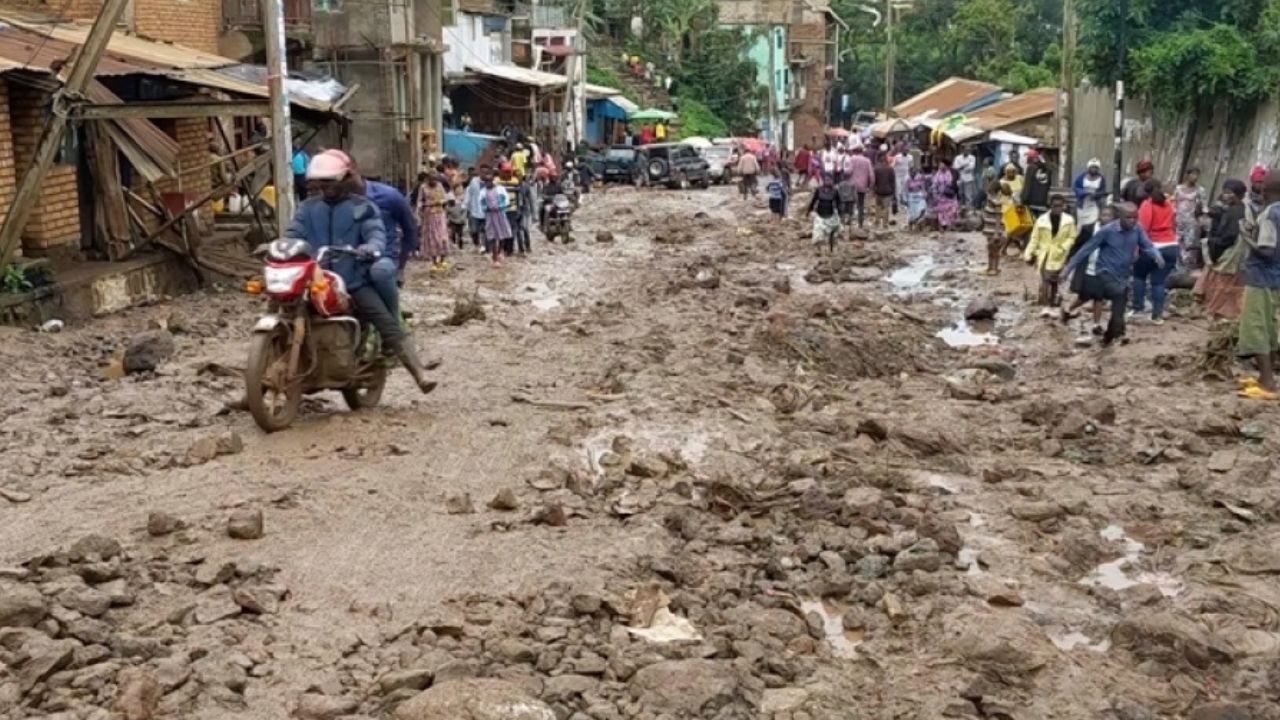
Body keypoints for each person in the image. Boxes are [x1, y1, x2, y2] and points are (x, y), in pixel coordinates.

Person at [285, 151, 435, 393]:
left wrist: (370, 248)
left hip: (353, 280)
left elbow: (376, 233)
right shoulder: (308, 209)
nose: (327, 187)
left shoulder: (363, 207)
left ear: (345, 179)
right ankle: (257, 384)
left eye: (331, 181)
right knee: (281, 308)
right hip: (314, 279)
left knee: (385, 321)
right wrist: (282, 246)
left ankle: (418, 372)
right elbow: (293, 233)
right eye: (322, 182)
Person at [1064, 202, 1164, 346]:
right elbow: (1086, 249)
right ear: (1120, 217)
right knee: (1119, 294)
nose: (1132, 221)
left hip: (1122, 274)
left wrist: (1156, 254)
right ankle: (1119, 333)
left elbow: (1146, 245)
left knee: (1120, 300)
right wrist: (1068, 269)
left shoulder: (1137, 229)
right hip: (1104, 273)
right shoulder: (1107, 231)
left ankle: (1109, 337)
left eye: (1135, 217)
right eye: (1129, 218)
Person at [1236, 169, 1280, 399]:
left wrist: (1245, 236)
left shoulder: (1271, 214)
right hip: (1276, 279)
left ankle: (1267, 383)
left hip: (1261, 277)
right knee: (1270, 328)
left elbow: (1266, 250)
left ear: (1266, 189)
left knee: (1256, 327)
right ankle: (1267, 377)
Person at [357, 163, 419, 304]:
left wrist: (401, 268)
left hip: (382, 261)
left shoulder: (389, 196)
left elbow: (410, 229)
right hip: (348, 265)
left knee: (380, 274)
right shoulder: (329, 204)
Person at [1194, 179, 1249, 320]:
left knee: (1222, 283)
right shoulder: (1233, 208)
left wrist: (1210, 243)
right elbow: (1219, 216)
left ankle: (1218, 311)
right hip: (1227, 250)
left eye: (1228, 193)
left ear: (1236, 195)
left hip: (1228, 252)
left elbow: (1229, 236)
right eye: (1224, 192)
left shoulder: (1235, 212)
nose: (1225, 195)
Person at [1062, 205, 1116, 336]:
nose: (1107, 218)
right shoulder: (1089, 229)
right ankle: (1068, 310)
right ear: (1099, 216)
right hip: (1088, 267)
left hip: (1104, 268)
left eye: (1110, 216)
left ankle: (1096, 324)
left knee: (1099, 296)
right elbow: (1077, 246)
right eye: (1104, 215)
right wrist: (1069, 262)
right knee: (1085, 295)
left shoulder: (1115, 232)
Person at [1133, 181, 1179, 324]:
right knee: (1158, 282)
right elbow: (1174, 223)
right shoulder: (1169, 204)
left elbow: (1142, 230)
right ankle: (1157, 316)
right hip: (1171, 246)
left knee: (1139, 276)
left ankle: (1138, 308)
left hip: (1153, 245)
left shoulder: (1147, 205)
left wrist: (1136, 250)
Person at [1024, 194, 1077, 308]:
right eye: (1055, 206)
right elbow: (1034, 238)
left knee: (1055, 281)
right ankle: (1044, 304)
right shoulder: (1041, 220)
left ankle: (1053, 302)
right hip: (1045, 254)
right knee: (1045, 279)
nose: (1057, 208)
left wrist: (1063, 247)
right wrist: (1028, 253)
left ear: (1063, 206)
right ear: (1050, 206)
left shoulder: (1069, 220)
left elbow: (1072, 237)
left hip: (1059, 255)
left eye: (1060, 206)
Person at [1174, 168, 1208, 269]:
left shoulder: (1200, 190)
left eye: (1197, 175)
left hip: (1192, 221)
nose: (1195, 177)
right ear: (1187, 175)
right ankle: (1177, 266)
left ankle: (1188, 267)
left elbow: (1205, 207)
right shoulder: (1178, 189)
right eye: (1193, 174)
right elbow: (1174, 205)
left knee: (1191, 244)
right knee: (1178, 242)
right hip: (1179, 220)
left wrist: (1203, 221)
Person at [415, 172, 449, 269]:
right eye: (431, 180)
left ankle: (443, 260)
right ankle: (434, 262)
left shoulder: (440, 186)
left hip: (440, 214)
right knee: (432, 239)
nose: (433, 182)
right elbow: (420, 201)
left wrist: (439, 202)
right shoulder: (423, 187)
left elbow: (445, 198)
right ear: (428, 179)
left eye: (435, 180)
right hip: (429, 216)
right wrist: (420, 211)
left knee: (442, 237)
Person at [999, 163, 1033, 250]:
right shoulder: (1002, 182)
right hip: (1008, 208)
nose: (1011, 174)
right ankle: (1008, 248)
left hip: (1020, 206)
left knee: (1026, 226)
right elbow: (1001, 197)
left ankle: (1019, 246)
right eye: (1009, 172)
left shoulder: (1020, 178)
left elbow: (1024, 190)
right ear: (1005, 172)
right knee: (1011, 228)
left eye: (1013, 172)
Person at [481, 175, 513, 265]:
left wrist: (500, 206)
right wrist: (487, 208)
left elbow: (506, 200)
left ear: (492, 181)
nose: (488, 183)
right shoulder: (483, 192)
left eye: (489, 181)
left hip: (500, 214)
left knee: (503, 234)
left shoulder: (500, 189)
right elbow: (482, 204)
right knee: (493, 237)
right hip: (490, 216)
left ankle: (500, 251)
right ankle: (495, 258)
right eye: (486, 182)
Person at [807, 174, 841, 252]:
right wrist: (809, 211)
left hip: (831, 214)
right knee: (818, 234)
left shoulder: (835, 191)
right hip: (820, 215)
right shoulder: (819, 190)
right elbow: (813, 201)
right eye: (826, 180)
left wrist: (840, 214)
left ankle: (831, 249)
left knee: (832, 233)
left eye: (829, 180)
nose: (827, 182)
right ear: (823, 181)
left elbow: (839, 203)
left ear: (832, 181)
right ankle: (819, 250)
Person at [1072, 159, 1108, 229]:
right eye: (1092, 167)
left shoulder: (1101, 179)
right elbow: (1076, 187)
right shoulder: (1082, 177)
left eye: (1096, 167)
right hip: (1082, 205)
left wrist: (1095, 194)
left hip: (1094, 205)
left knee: (1093, 225)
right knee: (1080, 226)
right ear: (1088, 167)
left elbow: (1102, 191)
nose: (1094, 169)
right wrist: (1084, 192)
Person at [981, 181, 1006, 276]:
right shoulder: (990, 200)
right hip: (989, 229)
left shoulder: (997, 201)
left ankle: (995, 268)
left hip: (994, 230)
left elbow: (998, 217)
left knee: (995, 249)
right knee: (990, 249)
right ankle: (990, 267)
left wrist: (996, 232)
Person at [464, 165, 490, 252]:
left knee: (485, 230)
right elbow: (469, 193)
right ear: (480, 172)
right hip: (474, 210)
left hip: (486, 210)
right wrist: (466, 205)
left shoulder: (490, 182)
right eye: (483, 172)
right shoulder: (474, 181)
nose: (484, 174)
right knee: (474, 230)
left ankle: (484, 246)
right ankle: (476, 244)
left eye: (486, 172)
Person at [847, 145, 874, 228]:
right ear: (862, 152)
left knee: (851, 203)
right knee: (861, 205)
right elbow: (871, 175)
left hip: (852, 185)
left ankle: (850, 221)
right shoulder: (867, 161)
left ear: (855, 151)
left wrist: (844, 173)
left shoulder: (852, 159)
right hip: (863, 186)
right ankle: (860, 223)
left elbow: (849, 171)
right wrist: (870, 186)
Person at [930, 164, 959, 231]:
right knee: (941, 211)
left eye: (943, 165)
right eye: (941, 165)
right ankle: (941, 226)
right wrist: (935, 194)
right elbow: (934, 185)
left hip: (948, 195)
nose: (942, 166)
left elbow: (951, 183)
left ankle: (949, 225)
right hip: (940, 195)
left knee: (950, 210)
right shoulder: (937, 175)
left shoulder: (949, 174)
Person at [1023, 150, 1053, 215]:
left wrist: (1024, 199)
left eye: (1029, 158)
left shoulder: (1031, 167)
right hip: (1043, 202)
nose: (1027, 160)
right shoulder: (1048, 169)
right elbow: (1049, 184)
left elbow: (1027, 185)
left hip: (1032, 203)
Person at [873, 153, 897, 229]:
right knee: (886, 208)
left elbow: (874, 181)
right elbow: (893, 182)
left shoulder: (876, 169)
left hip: (879, 191)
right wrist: (894, 193)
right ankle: (885, 224)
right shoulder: (890, 169)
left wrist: (874, 190)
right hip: (888, 191)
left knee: (878, 208)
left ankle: (877, 222)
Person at [446, 184, 468, 250]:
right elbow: (448, 208)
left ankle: (460, 246)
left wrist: (463, 218)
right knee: (453, 232)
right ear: (454, 190)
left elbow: (465, 209)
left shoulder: (463, 198)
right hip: (452, 219)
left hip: (460, 219)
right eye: (458, 189)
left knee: (460, 234)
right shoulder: (451, 197)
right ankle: (453, 244)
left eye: (461, 189)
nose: (460, 190)